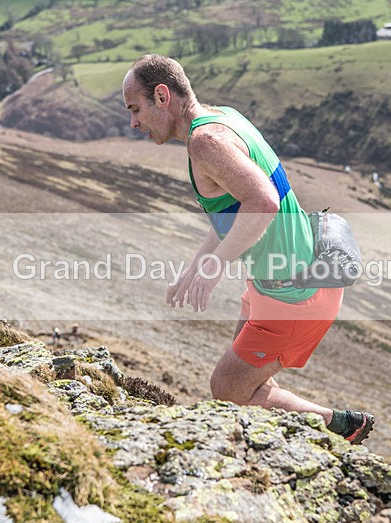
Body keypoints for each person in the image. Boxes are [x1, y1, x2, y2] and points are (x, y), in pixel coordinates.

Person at [123, 54, 373, 444]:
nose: (134, 122)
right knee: (245, 388)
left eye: (135, 109)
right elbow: (234, 212)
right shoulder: (223, 118)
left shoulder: (204, 142)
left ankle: (339, 426)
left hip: (296, 294)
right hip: (276, 282)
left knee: (227, 388)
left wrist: (214, 267)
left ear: (161, 96)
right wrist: (195, 266)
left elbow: (265, 202)